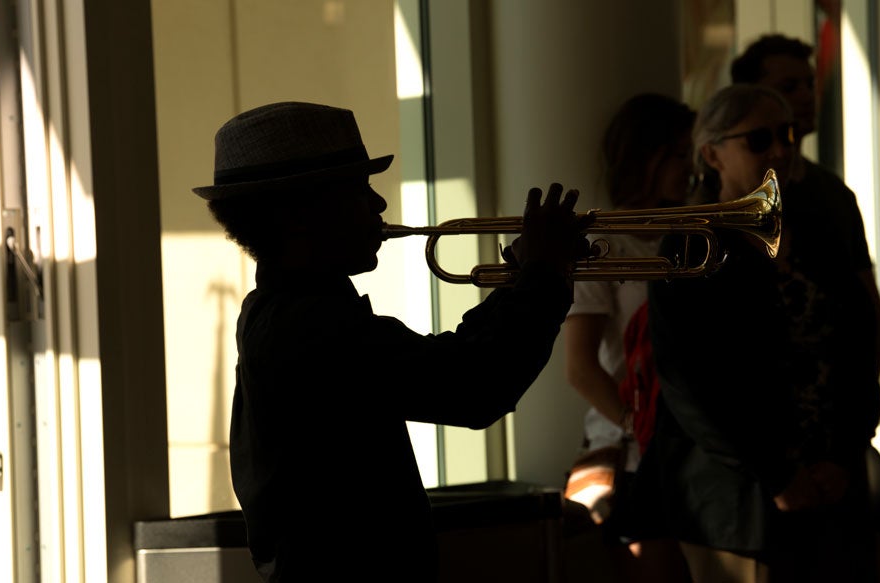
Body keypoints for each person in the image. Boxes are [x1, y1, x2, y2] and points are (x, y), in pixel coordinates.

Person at [192, 101, 588, 582]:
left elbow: (458, 364)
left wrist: (525, 282)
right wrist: (543, 274)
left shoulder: (289, 313)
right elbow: (476, 385)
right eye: (359, 190)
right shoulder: (307, 328)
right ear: (299, 217)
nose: (379, 205)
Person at [626, 83, 880, 582]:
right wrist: (780, 475)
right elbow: (691, 384)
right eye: (760, 140)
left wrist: (842, 453)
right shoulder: (687, 243)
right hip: (737, 499)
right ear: (712, 155)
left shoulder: (817, 225)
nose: (782, 149)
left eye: (787, 135)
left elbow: (857, 344)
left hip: (835, 484)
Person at [562, 92, 694, 581]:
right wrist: (634, 424)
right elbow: (580, 368)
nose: (690, 166)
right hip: (634, 448)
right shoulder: (605, 241)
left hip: (691, 440)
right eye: (679, 153)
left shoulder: (693, 233)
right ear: (647, 156)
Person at [730, 33, 880, 374]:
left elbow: (866, 299)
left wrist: (869, 390)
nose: (806, 95)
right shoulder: (724, 195)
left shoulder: (832, 192)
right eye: (789, 86)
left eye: (808, 83)